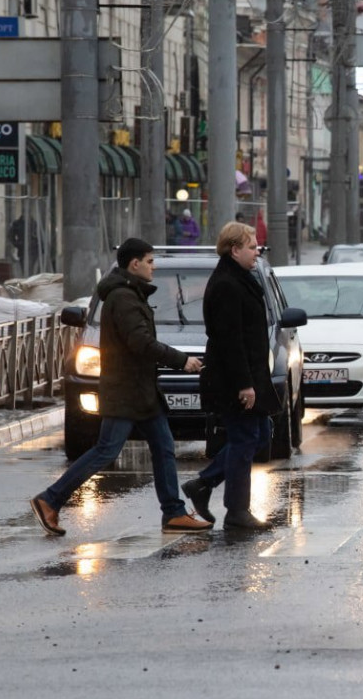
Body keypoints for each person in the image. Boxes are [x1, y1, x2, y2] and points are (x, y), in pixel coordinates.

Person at [29, 238, 209, 537]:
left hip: (141, 392)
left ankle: (174, 513)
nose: (154, 267)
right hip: (127, 391)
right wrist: (182, 361)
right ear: (134, 264)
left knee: (164, 448)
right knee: (106, 451)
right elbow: (140, 343)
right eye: (150, 261)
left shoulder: (129, 294)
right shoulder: (124, 298)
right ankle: (50, 499)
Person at [181, 222, 279, 531]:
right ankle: (237, 511)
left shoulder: (239, 278)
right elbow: (230, 340)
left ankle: (203, 485)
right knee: (245, 438)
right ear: (234, 250)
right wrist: (244, 385)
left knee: (259, 435)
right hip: (235, 379)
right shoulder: (226, 284)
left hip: (250, 375)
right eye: (251, 246)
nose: (256, 251)